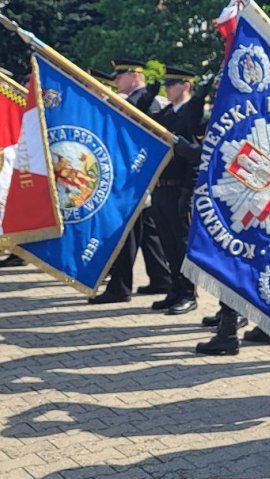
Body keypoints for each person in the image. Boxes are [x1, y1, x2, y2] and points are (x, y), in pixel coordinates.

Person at [88, 59, 171, 304]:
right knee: (147, 232)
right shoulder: (132, 100)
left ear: (135, 75)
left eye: (120, 76)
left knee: (125, 232)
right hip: (135, 176)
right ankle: (161, 277)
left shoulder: (147, 100)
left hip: (138, 176)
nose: (115, 81)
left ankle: (120, 287)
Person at [148, 67, 204, 316]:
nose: (168, 89)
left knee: (182, 244)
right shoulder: (168, 113)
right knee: (168, 243)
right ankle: (175, 287)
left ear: (186, 85)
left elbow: (196, 158)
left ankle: (188, 292)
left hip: (180, 188)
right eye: (166, 85)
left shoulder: (194, 113)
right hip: (162, 186)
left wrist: (188, 193)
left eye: (172, 84)